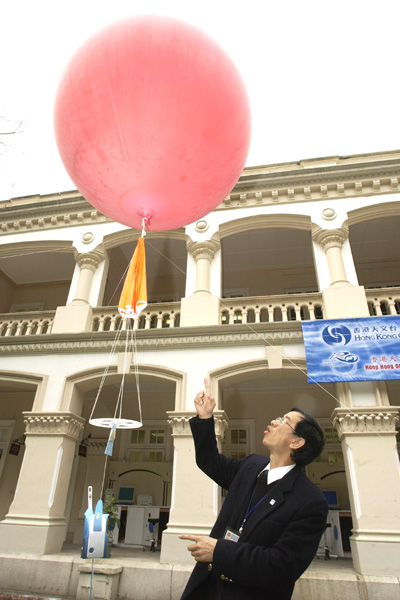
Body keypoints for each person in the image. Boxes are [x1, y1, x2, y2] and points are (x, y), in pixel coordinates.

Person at [179, 378, 328, 600]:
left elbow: (283, 565)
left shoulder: (309, 501)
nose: (274, 421)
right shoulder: (251, 466)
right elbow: (209, 461)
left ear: (297, 442)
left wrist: (220, 552)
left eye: (284, 421)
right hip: (207, 589)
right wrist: (205, 417)